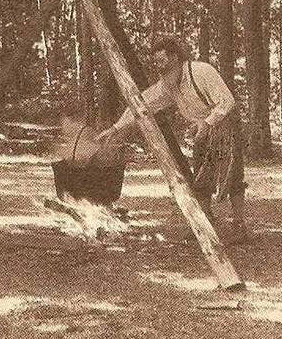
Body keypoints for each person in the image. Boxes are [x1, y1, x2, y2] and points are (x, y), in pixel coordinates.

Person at [96, 36, 248, 243]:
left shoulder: (201, 71)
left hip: (225, 123)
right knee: (202, 176)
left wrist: (208, 122)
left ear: (175, 58)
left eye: (162, 62)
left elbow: (227, 102)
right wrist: (116, 127)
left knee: (232, 175)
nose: (159, 68)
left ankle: (240, 227)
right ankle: (204, 224)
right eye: (156, 63)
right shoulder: (169, 85)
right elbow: (141, 104)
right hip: (202, 129)